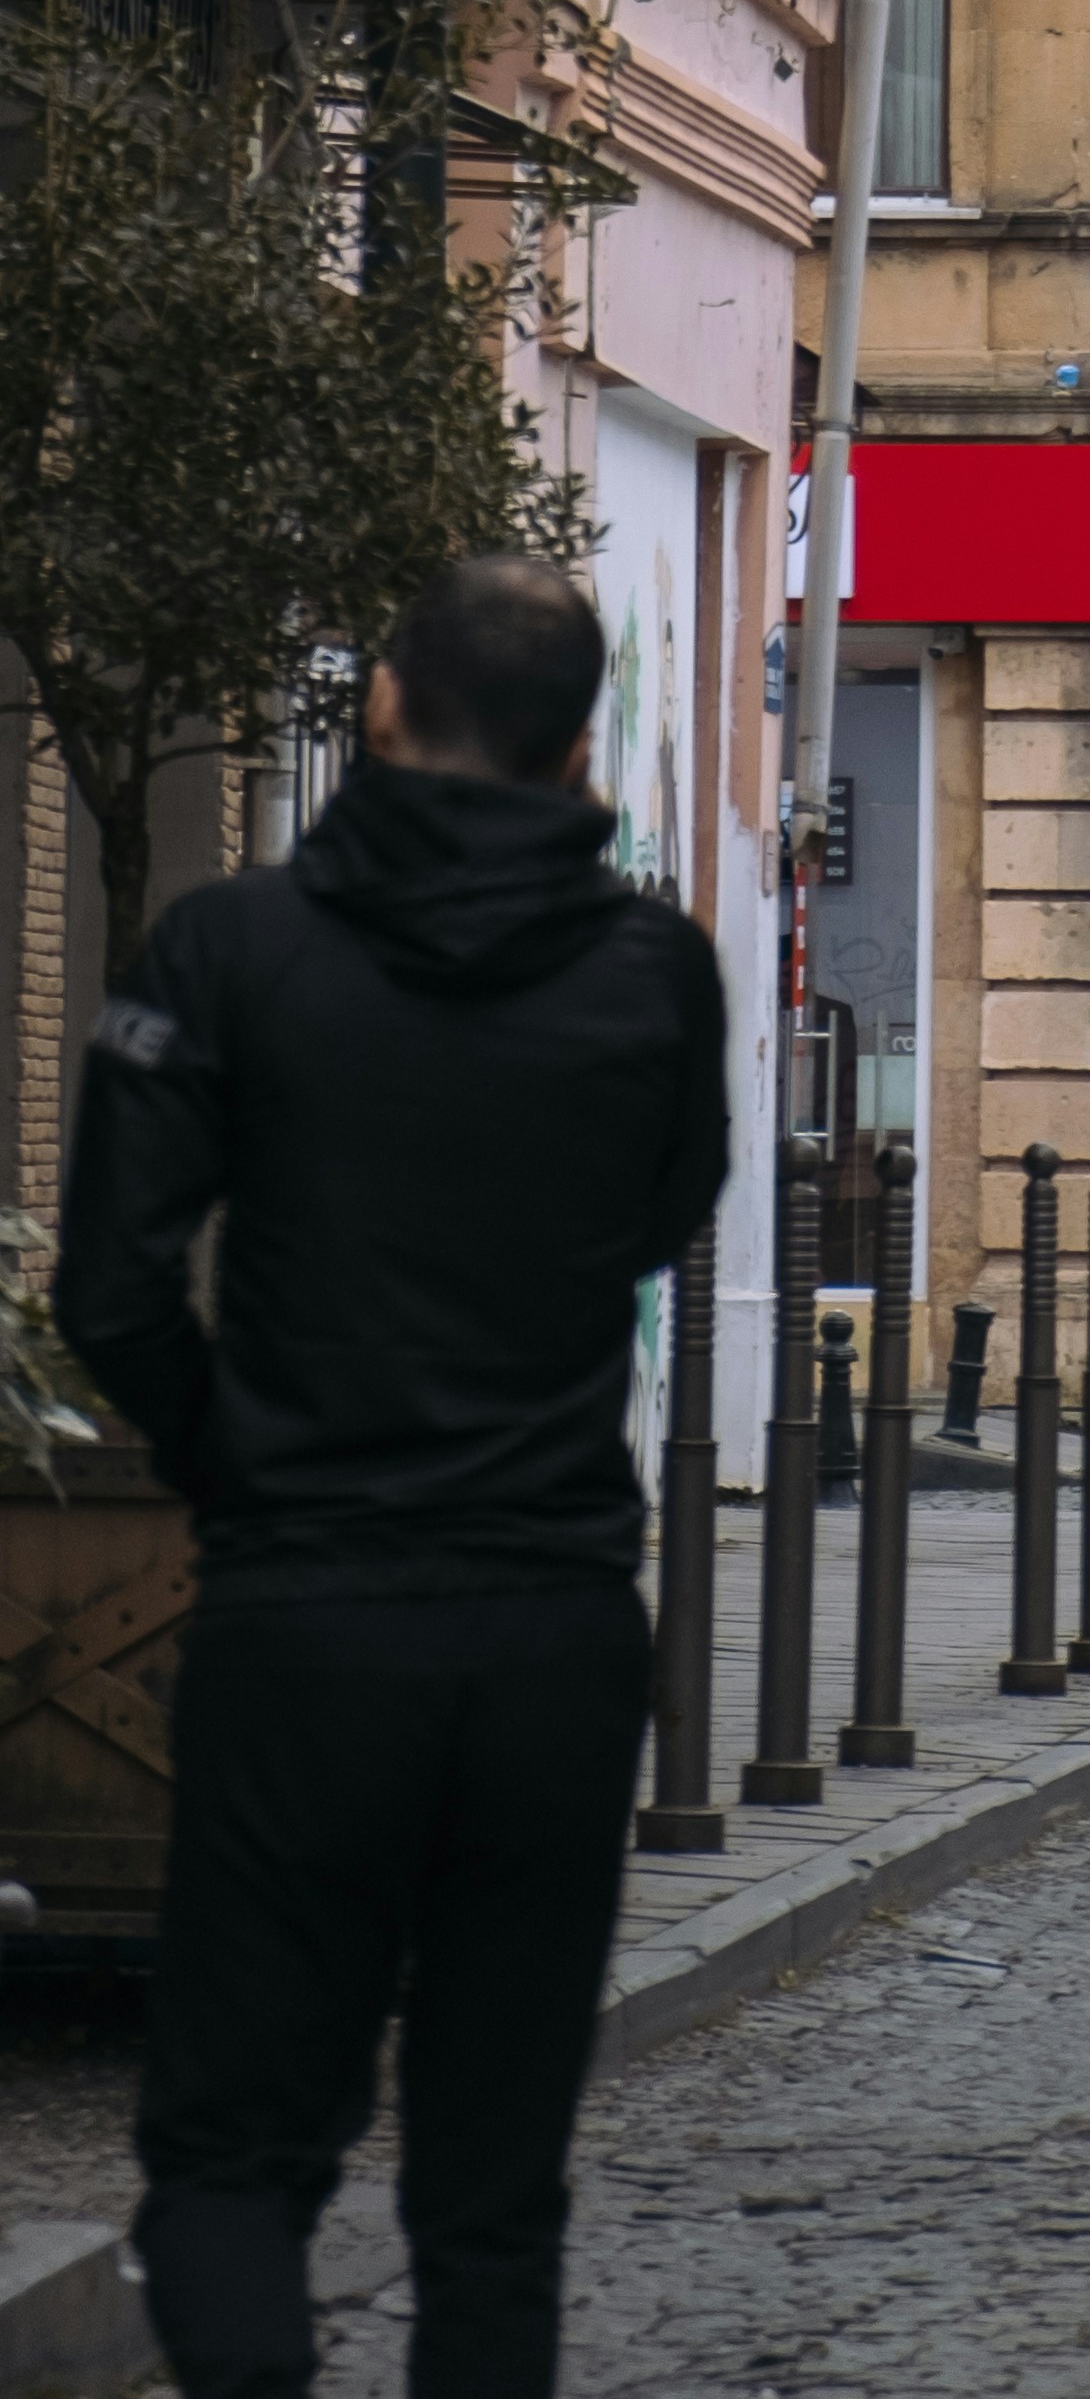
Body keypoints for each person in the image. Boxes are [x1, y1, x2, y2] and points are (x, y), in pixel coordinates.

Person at [56, 553, 727, 2399]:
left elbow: (106, 1282)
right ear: (580, 747)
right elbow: (662, 1219)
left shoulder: (231, 950)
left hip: (310, 1621)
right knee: (493, 2201)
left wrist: (235, 1458)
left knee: (230, 2157)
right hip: (552, 1628)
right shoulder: (656, 971)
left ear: (377, 707)